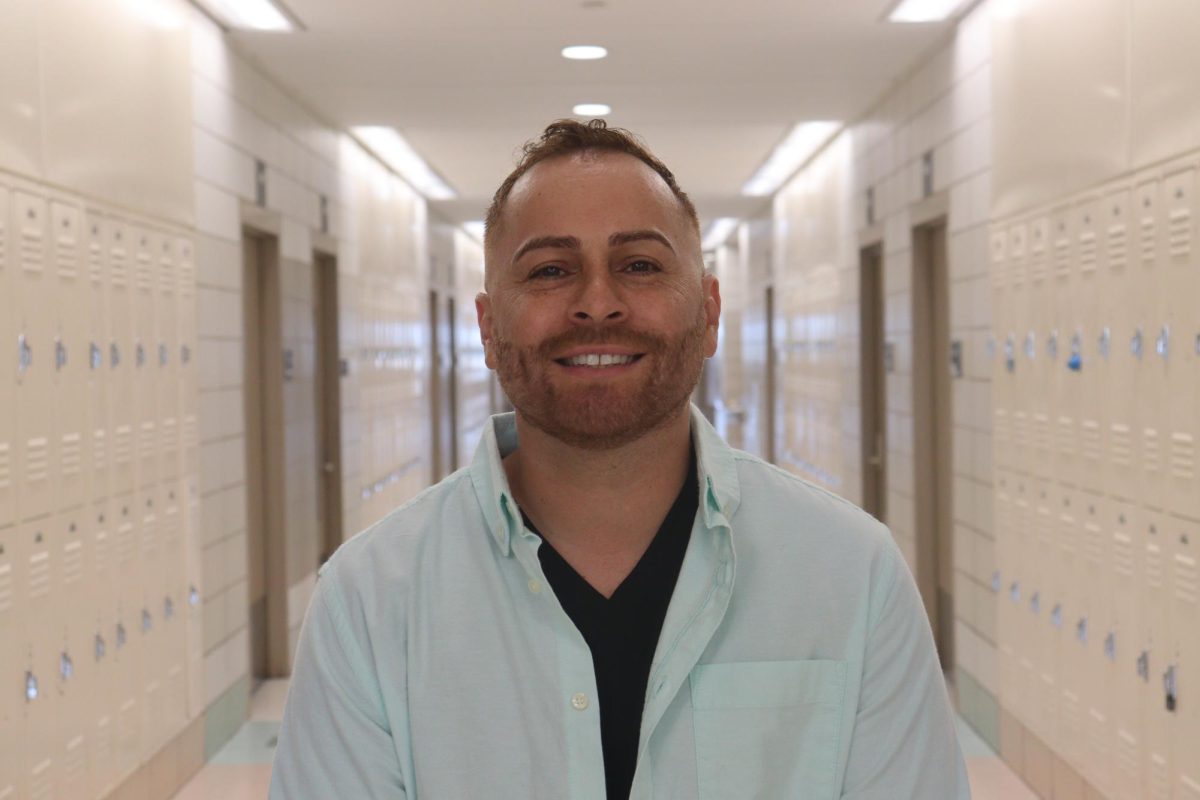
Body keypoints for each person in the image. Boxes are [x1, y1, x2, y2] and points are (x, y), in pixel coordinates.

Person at [269, 119, 970, 799]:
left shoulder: (850, 576)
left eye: (639, 265)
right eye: (550, 270)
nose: (597, 304)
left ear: (710, 312)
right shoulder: (370, 601)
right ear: (487, 328)